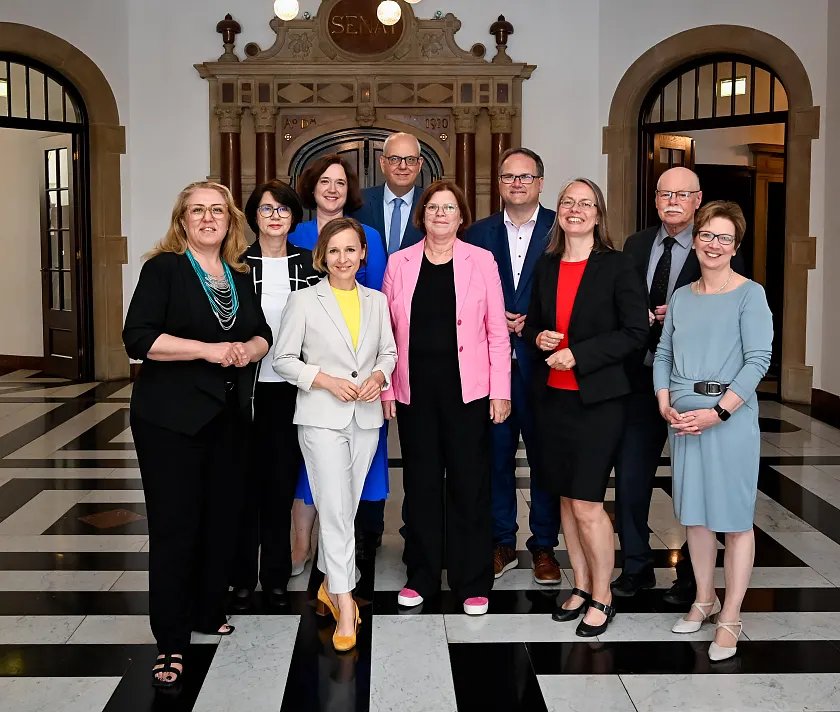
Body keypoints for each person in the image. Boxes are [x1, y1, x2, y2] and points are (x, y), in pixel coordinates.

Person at [123, 181, 272, 687]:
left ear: (231, 220)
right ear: (181, 220)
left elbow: (259, 333)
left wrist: (248, 350)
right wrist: (210, 350)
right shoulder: (162, 269)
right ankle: (170, 641)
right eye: (197, 211)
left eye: (217, 211)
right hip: (169, 420)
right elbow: (139, 338)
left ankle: (208, 612)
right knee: (175, 529)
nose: (208, 218)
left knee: (220, 522)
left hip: (227, 418)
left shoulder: (237, 276)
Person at [612, 167, 745, 603]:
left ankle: (692, 577)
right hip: (639, 379)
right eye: (665, 193)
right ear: (655, 199)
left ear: (698, 199)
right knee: (631, 479)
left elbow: (733, 315)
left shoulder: (716, 246)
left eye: (682, 194)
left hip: (694, 387)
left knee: (698, 484)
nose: (673, 200)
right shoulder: (635, 244)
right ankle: (635, 568)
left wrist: (688, 314)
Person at [524, 179, 648, 637]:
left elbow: (637, 333)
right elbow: (534, 324)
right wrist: (537, 337)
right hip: (552, 398)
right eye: (567, 202)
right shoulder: (548, 265)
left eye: (585, 203)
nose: (575, 209)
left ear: (598, 214)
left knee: (589, 502)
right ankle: (579, 585)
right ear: (558, 212)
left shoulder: (618, 266)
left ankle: (603, 594)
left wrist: (580, 354)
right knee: (564, 498)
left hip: (598, 402)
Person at [381, 180, 511, 616]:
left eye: (449, 207)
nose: (440, 214)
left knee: (469, 484)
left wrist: (500, 391)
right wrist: (385, 388)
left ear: (461, 216)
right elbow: (384, 335)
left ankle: (472, 580)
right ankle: (421, 575)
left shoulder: (482, 260)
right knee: (419, 485)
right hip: (414, 391)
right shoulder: (399, 263)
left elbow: (496, 331)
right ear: (422, 215)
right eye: (433, 207)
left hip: (469, 392)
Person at [273, 217, 397, 652]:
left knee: (342, 504)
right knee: (338, 508)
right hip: (322, 417)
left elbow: (389, 351)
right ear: (321, 257)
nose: (343, 258)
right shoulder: (304, 301)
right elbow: (283, 359)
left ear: (363, 254)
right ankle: (346, 603)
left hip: (364, 418)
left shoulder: (377, 301)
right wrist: (324, 379)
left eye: (351, 250)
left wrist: (380, 376)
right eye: (334, 251)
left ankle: (328, 584)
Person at [656, 201, 772, 661]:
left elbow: (757, 361)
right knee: (695, 517)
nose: (714, 245)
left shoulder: (750, 294)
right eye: (707, 235)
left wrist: (718, 414)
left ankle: (731, 616)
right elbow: (663, 353)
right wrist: (665, 402)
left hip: (728, 420)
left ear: (735, 246)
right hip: (683, 423)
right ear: (695, 239)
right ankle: (704, 599)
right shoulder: (682, 296)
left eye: (724, 238)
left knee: (734, 520)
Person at [465, 147, 562, 585]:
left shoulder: (563, 228)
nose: (517, 183)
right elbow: (463, 290)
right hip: (493, 367)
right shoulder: (477, 232)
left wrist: (537, 320)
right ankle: (500, 539)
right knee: (496, 457)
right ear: (499, 183)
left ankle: (543, 545)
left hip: (545, 366)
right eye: (509, 177)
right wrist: (494, 311)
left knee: (545, 459)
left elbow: (578, 291)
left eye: (526, 177)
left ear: (541, 183)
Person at [288, 155, 388, 572]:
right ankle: (310, 548)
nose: (332, 189)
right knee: (315, 472)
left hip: (362, 384)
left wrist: (379, 376)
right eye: (324, 182)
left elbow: (381, 312)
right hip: (313, 376)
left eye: (340, 183)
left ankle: (350, 553)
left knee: (358, 473)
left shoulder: (370, 238)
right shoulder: (295, 234)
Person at [230, 180, 320, 611]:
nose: (274, 217)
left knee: (282, 484)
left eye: (283, 210)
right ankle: (243, 575)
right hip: (244, 390)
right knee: (245, 483)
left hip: (292, 390)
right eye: (266, 210)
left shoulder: (311, 264)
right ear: (253, 216)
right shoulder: (236, 264)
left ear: (293, 217)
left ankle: (278, 575)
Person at [348, 132, 426, 556]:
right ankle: (369, 526)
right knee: (367, 434)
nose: (401, 166)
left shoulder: (435, 206)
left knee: (418, 441)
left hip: (421, 338)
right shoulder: (359, 208)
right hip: (367, 337)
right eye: (394, 159)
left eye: (409, 160)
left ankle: (418, 526)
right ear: (382, 163)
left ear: (420, 165)